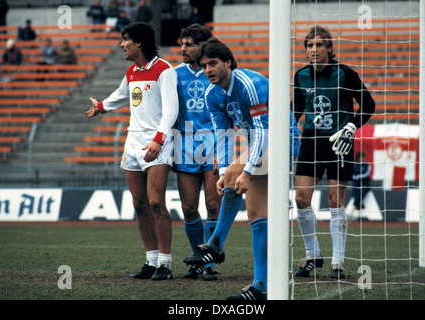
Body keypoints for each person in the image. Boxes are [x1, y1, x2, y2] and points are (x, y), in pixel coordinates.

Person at [183, 38, 300, 300]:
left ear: (228, 62)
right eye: (203, 66)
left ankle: (219, 249)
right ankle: (255, 282)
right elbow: (223, 136)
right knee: (249, 205)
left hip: (283, 139)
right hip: (261, 145)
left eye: (213, 63)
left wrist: (247, 171)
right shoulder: (211, 94)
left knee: (248, 197)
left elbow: (262, 130)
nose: (208, 70)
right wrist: (225, 171)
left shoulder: (250, 83)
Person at [85, 22, 178, 281]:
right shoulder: (132, 72)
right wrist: (101, 106)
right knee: (139, 204)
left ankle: (166, 264)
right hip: (133, 143)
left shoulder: (165, 70)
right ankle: (151, 261)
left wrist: (158, 140)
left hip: (158, 143)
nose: (121, 44)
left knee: (156, 202)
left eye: (125, 39)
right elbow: (121, 94)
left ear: (139, 43)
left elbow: (171, 111)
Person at [292, 26, 376, 279]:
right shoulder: (301, 75)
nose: (313, 50)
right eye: (309, 46)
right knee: (301, 200)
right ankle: (313, 254)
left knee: (334, 201)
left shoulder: (345, 74)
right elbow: (295, 110)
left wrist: (351, 127)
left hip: (339, 144)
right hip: (311, 143)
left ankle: (337, 261)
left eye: (319, 45)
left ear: (329, 48)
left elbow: (368, 105)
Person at [174, 24, 221, 281]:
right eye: (182, 44)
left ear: (202, 46)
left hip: (214, 142)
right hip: (184, 144)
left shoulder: (215, 72)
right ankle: (197, 260)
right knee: (189, 207)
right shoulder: (174, 74)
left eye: (189, 44)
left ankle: (210, 261)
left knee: (213, 205)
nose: (183, 48)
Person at [347, 151, 371, 220]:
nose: (363, 159)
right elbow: (352, 175)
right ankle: (355, 213)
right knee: (356, 195)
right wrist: (357, 177)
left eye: (364, 157)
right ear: (358, 158)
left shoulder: (367, 165)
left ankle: (351, 211)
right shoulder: (354, 165)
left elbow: (366, 174)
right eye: (361, 157)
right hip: (356, 184)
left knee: (361, 195)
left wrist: (358, 177)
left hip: (365, 184)